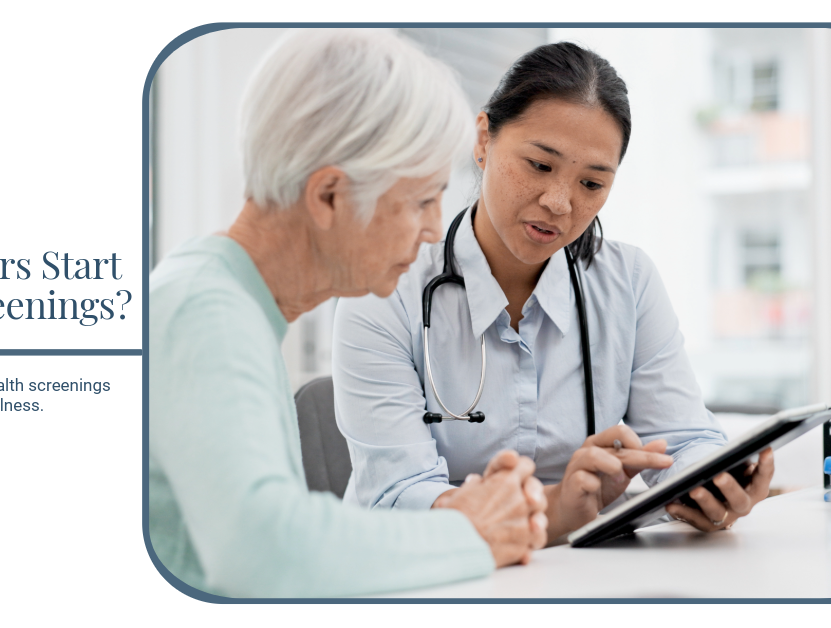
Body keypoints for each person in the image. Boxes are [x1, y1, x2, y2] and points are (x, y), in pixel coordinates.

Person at [149, 29, 549, 598]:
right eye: (419, 201)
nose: (437, 229)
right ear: (329, 196)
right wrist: (472, 532)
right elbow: (263, 550)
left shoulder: (228, 305)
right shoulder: (204, 314)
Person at [332, 41, 775, 543]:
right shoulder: (386, 290)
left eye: (591, 184)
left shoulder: (627, 280)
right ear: (483, 140)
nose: (560, 203)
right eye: (539, 166)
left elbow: (684, 439)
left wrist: (709, 482)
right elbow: (396, 497)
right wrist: (556, 509)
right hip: (437, 582)